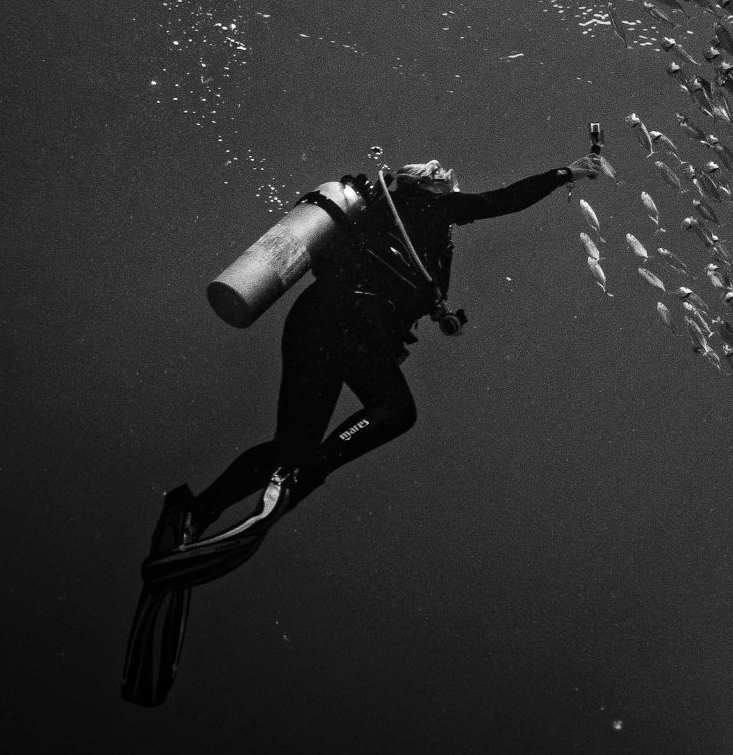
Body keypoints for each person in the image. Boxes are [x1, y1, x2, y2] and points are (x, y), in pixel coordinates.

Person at [121, 143, 607, 706]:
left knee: (290, 444)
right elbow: (501, 201)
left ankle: (195, 508)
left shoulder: (380, 215)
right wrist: (566, 172)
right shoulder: (425, 209)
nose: (450, 178)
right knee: (395, 411)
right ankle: (305, 477)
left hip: (315, 318)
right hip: (350, 320)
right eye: (440, 176)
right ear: (423, 185)